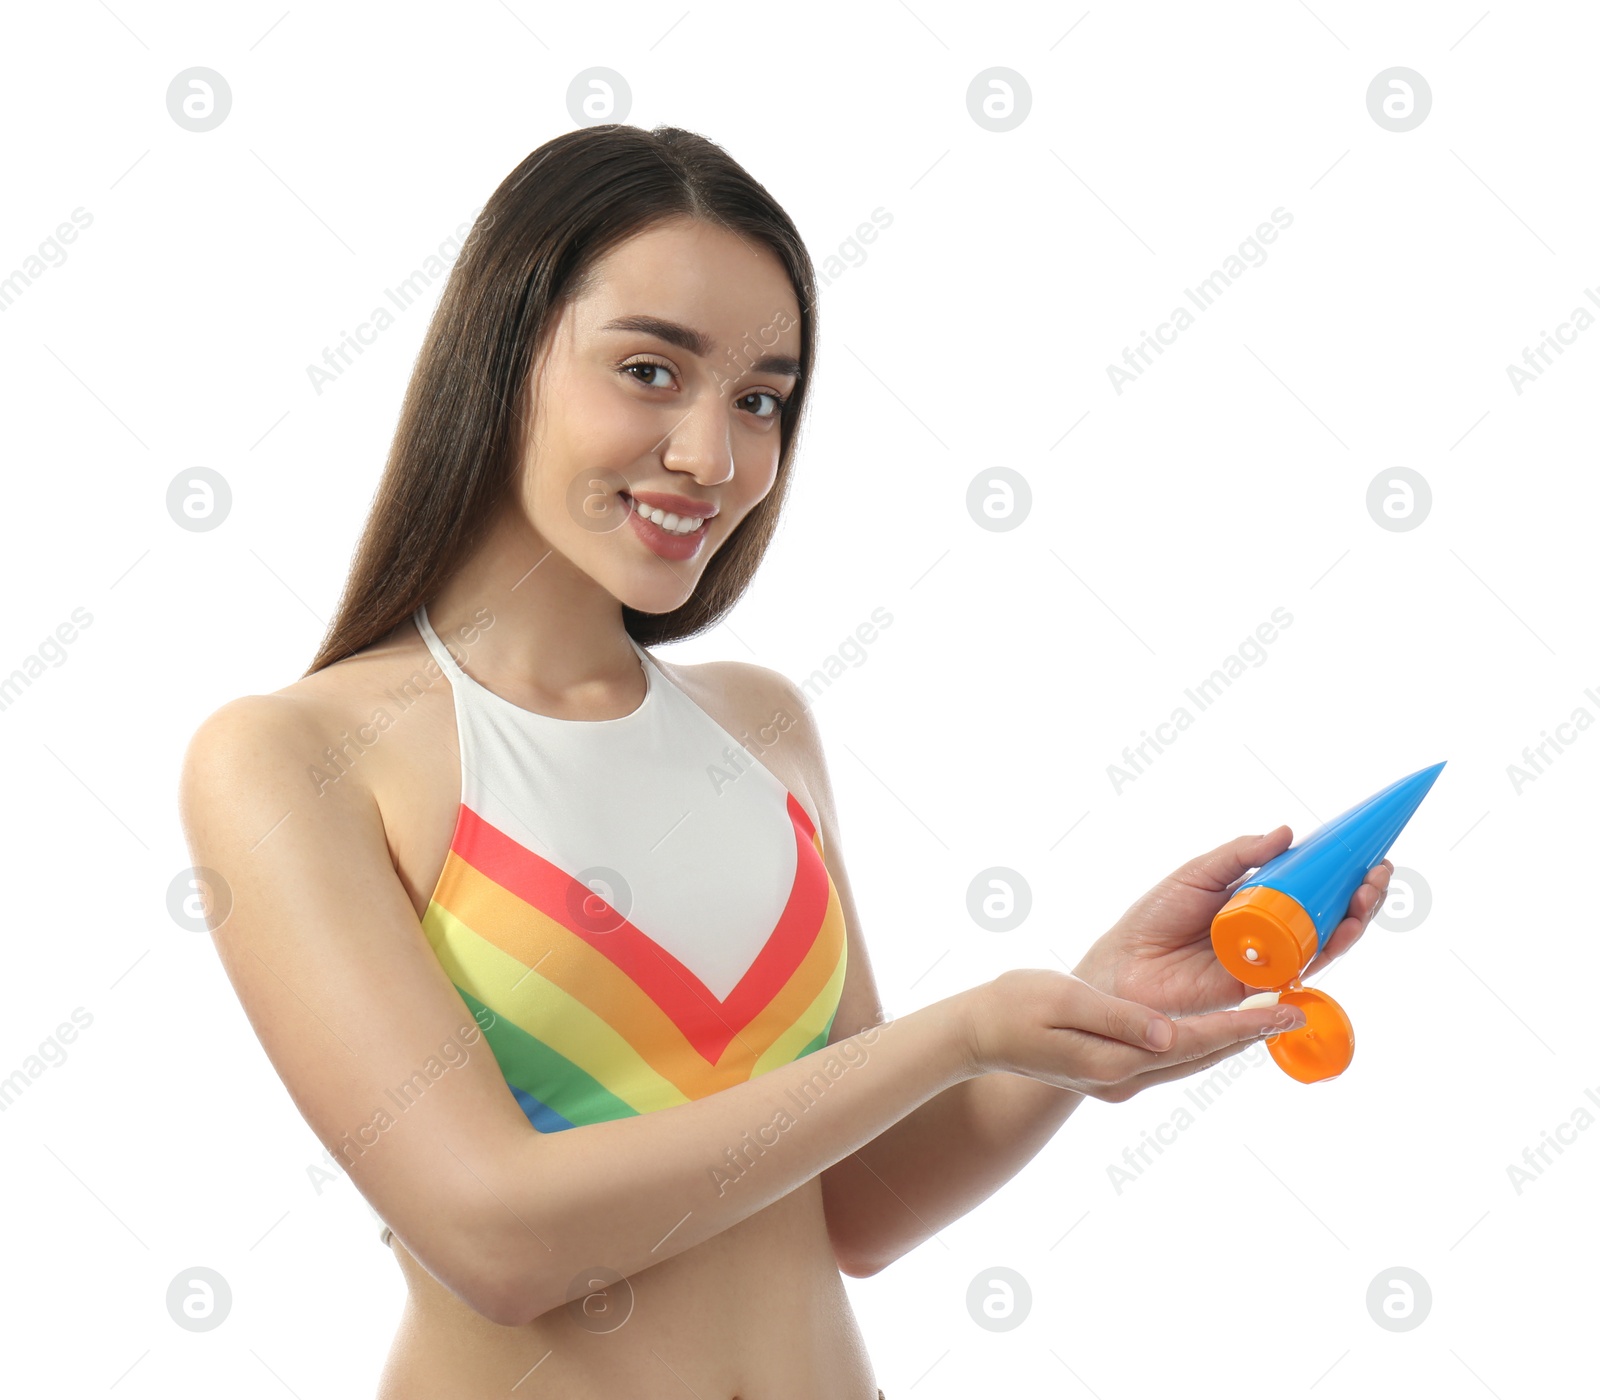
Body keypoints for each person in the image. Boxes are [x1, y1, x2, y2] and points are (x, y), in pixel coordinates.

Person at [177, 124, 1392, 1400]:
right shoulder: (291, 756)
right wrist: (958, 1033)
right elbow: (498, 1233)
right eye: (650, 370)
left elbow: (857, 1205)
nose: (714, 456)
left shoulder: (757, 726)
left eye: (760, 397)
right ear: (502, 359)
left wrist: (1099, 1008)